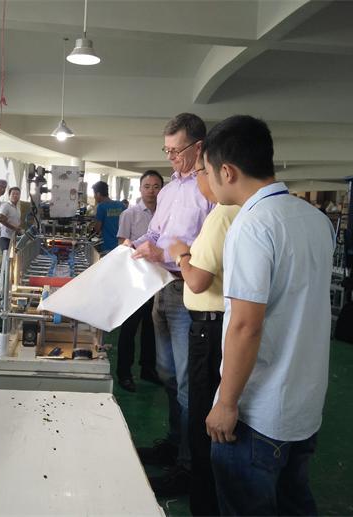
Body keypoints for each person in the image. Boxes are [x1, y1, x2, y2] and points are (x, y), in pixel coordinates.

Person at [203, 115, 335, 515]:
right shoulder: (316, 219)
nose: (207, 182)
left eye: (207, 171)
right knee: (295, 503)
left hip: (258, 413)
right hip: (304, 404)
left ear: (227, 171)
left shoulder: (252, 225)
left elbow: (246, 325)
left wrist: (227, 403)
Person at [129, 113, 215, 496]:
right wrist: (135, 244)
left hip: (189, 292)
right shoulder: (168, 191)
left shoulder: (208, 189)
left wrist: (161, 252)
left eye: (176, 151)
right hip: (161, 288)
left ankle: (188, 465)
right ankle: (174, 442)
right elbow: (156, 232)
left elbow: (207, 248)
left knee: (187, 382)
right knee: (166, 373)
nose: (171, 158)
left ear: (199, 146)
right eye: (166, 151)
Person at [168, 151, 240, 515]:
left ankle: (204, 501)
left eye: (200, 172)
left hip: (208, 328)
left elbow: (197, 280)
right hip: (220, 325)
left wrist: (181, 254)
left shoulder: (221, 215)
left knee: (202, 418)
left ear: (222, 172)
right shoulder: (245, 212)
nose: (198, 181)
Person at [115, 170, 164, 392]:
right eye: (147, 186)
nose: (151, 191)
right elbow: (122, 245)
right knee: (130, 327)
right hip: (135, 279)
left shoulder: (165, 212)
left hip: (159, 278)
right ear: (140, 188)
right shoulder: (130, 214)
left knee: (151, 327)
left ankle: (148, 368)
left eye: (156, 186)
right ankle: (124, 373)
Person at [92, 181, 125, 253]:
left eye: (94, 194)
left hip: (108, 247)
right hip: (121, 246)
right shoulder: (121, 205)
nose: (94, 197)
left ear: (98, 194)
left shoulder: (101, 207)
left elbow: (97, 229)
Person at [0, 186, 22, 251]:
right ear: (9, 195)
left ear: (19, 196)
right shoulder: (6, 205)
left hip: (14, 237)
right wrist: (14, 228)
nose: (15, 195)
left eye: (17, 194)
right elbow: (1, 219)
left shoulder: (17, 208)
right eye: (13, 194)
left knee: (13, 256)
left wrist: (18, 229)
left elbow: (16, 222)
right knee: (5, 255)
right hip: (5, 237)